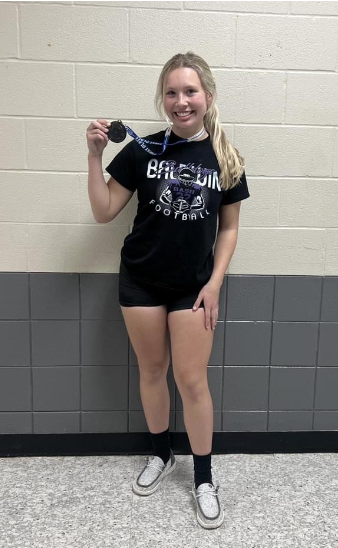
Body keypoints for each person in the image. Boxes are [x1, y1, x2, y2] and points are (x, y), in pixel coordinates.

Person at [86, 51, 250, 530]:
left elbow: (229, 230)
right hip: (139, 279)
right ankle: (162, 455)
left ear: (208, 97)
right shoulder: (142, 150)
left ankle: (203, 478)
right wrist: (95, 157)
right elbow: (103, 212)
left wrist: (215, 283)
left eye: (191, 91)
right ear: (163, 99)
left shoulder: (226, 158)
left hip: (193, 288)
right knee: (152, 370)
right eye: (173, 93)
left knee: (192, 381)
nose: (182, 101)